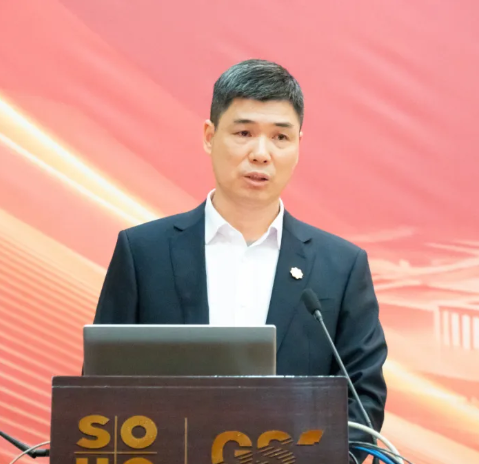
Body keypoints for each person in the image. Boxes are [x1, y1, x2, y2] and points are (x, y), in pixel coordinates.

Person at [91, 59, 388, 443]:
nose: (261, 153)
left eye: (280, 137)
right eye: (244, 132)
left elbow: (363, 401)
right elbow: (99, 392)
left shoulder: (341, 267)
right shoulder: (143, 253)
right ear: (209, 136)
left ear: (299, 146)